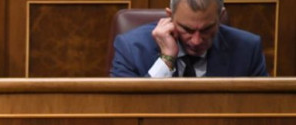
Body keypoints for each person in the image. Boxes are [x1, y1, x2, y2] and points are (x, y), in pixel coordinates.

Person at [110, 0, 268, 77]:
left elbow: (263, 114)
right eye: (187, 29)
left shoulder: (247, 50)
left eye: (206, 29)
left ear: (220, 17)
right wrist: (166, 60)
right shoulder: (131, 48)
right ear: (170, 16)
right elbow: (125, 111)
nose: (196, 41)